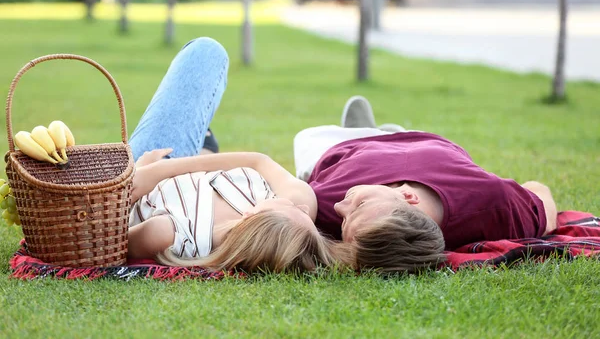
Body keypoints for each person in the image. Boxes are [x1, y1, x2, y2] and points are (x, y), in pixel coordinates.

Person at [126, 37, 336, 273]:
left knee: (204, 51)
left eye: (297, 211)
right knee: (208, 51)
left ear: (250, 217)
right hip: (163, 168)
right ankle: (204, 146)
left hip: (137, 177)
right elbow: (258, 160)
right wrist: (157, 172)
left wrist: (136, 179)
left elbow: (105, 239)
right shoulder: (294, 208)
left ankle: (204, 142)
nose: (307, 211)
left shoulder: (171, 234)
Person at [294, 96, 558, 273]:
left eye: (343, 222)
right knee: (389, 134)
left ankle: (366, 129)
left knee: (305, 141)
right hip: (423, 142)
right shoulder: (496, 203)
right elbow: (540, 193)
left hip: (339, 146)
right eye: (359, 205)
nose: (341, 206)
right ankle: (385, 131)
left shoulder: (323, 204)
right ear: (408, 197)